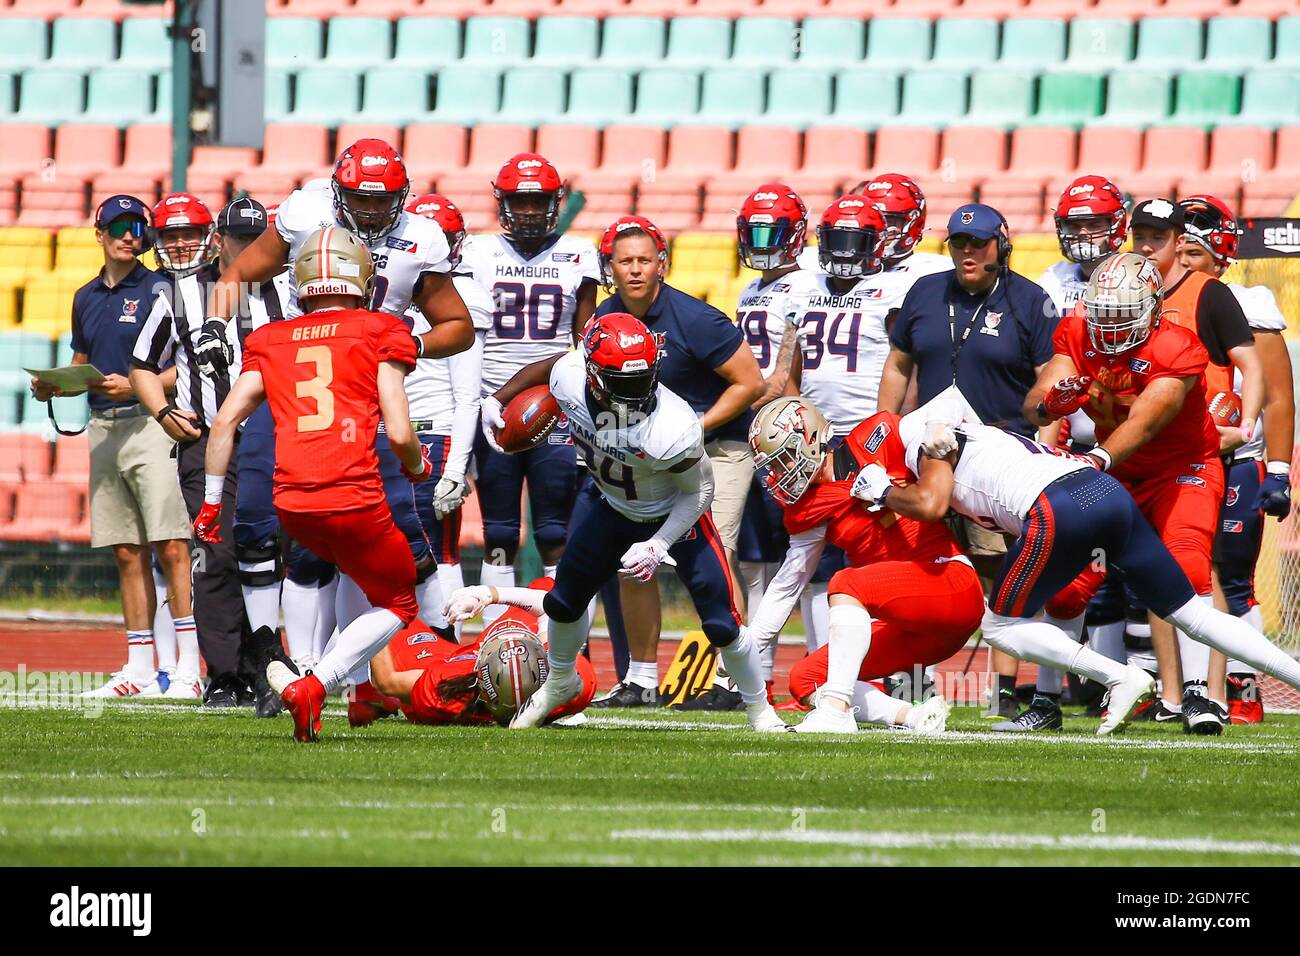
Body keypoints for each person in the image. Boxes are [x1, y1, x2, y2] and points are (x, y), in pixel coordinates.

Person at [882, 390, 1300, 730]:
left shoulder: (923, 444)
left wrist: (881, 491)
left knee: (1000, 626)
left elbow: (930, 501)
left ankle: (1119, 677)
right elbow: (952, 398)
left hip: (1056, 505)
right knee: (1191, 614)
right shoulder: (953, 426)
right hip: (1103, 489)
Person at [484, 312, 785, 733]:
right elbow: (552, 364)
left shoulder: (672, 425)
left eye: (644, 377)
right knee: (563, 603)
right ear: (591, 374)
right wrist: (497, 398)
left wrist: (660, 543)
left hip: (675, 515)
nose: (638, 390)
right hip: (610, 506)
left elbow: (699, 492)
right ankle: (559, 684)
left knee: (721, 623)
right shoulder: (571, 377)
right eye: (622, 381)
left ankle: (760, 711)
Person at [197, 226, 431, 743]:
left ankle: (329, 678)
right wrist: (416, 467)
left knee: (334, 574)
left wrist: (213, 504)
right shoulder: (380, 329)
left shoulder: (269, 338)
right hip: (353, 493)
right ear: (362, 279)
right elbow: (397, 429)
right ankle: (319, 682)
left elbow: (224, 423)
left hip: (293, 503)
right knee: (397, 601)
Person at [1025, 252, 1230, 734]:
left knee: (1187, 567)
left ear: (1154, 309)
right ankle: (1047, 699)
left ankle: (1199, 696)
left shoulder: (1178, 347)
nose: (1112, 327)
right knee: (1067, 582)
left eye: (1123, 315)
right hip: (1116, 472)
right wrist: (1051, 403)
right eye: (1105, 315)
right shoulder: (1076, 333)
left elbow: (1145, 421)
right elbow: (1036, 405)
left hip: (1179, 470)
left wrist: (1095, 460)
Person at [879, 201, 1062, 717]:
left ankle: (1005, 692)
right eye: (958, 243)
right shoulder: (924, 292)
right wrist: (884, 432)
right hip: (931, 452)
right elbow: (898, 365)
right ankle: (913, 683)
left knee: (999, 572)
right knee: (919, 568)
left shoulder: (1030, 301)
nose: (966, 252)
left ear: (1000, 245)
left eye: (977, 243)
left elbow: (1050, 381)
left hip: (1000, 455)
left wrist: (1044, 447)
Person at [585, 219, 764, 707]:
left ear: (662, 264)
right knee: (633, 559)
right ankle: (641, 680)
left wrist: (693, 430)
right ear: (611, 268)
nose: (636, 269)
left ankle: (732, 681)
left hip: (716, 449)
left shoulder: (696, 319)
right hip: (642, 457)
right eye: (626, 261)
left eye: (645, 259)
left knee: (717, 555)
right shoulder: (604, 316)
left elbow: (750, 383)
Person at [130, 193, 291, 710]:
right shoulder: (179, 296)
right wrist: (163, 414)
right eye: (238, 239)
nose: (246, 249)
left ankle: (264, 665)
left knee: (269, 554)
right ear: (219, 240)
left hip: (275, 440)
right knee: (216, 556)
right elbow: (142, 365)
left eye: (255, 239)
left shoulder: (288, 292)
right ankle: (225, 675)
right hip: (206, 443)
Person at [33, 195, 197, 700]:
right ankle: (140, 667)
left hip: (154, 422)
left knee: (172, 545)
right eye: (121, 227)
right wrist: (56, 386)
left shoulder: (163, 287)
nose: (132, 235)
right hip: (104, 427)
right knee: (126, 551)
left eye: (138, 228)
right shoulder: (84, 296)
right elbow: (82, 360)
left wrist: (141, 386)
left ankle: (189, 669)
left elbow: (187, 362)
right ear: (99, 233)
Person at [746, 396, 982, 734]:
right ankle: (915, 717)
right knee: (806, 679)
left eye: (783, 460)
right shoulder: (808, 508)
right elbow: (788, 585)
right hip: (911, 626)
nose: (779, 474)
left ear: (810, 440)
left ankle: (835, 714)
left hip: (950, 584)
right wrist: (747, 646)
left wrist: (938, 435)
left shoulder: (878, 436)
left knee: (846, 583)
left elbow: (950, 403)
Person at [1125, 198, 1262, 730]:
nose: (1146, 244)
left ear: (1180, 239)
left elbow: (1252, 364)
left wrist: (1244, 428)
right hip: (1148, 448)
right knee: (1160, 570)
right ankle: (1174, 693)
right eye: (1140, 234)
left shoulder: (1210, 292)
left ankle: (1212, 691)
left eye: (1157, 235)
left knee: (1195, 565)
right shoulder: (1134, 289)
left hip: (1197, 448)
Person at [460, 153, 598, 625]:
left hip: (554, 404)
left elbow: (584, 340)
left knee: (555, 530)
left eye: (538, 201)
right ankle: (498, 636)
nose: (529, 211)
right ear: (502, 202)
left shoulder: (578, 252)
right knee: (498, 530)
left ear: (555, 203)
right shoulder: (477, 253)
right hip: (490, 401)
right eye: (520, 201)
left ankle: (558, 633)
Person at [1177, 194, 1296, 723]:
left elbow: (1276, 396)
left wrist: (1278, 468)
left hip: (1236, 462)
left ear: (1221, 253)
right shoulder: (1158, 299)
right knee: (1181, 574)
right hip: (1182, 457)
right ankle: (1181, 689)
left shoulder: (1248, 302)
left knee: (1231, 579)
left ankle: (1245, 689)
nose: (1183, 256)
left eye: (1195, 249)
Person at [729, 184, 823, 707]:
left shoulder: (806, 284)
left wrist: (743, 396)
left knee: (804, 560)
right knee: (757, 559)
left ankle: (820, 674)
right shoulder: (753, 289)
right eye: (756, 232)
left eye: (773, 232)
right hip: (757, 431)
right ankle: (758, 675)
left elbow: (788, 371)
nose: (763, 242)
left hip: (790, 433)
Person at [401, 193, 493, 632]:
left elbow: (467, 394)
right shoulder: (387, 283)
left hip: (434, 435)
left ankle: (445, 648)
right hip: (384, 433)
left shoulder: (466, 295)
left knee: (439, 551)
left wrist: (456, 466)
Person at [355, 579, 597, 728]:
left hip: (445, 665)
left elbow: (387, 681)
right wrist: (489, 594)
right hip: (507, 667)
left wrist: (368, 597)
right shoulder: (572, 682)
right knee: (552, 586)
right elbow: (555, 605)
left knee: (385, 603)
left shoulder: (445, 692)